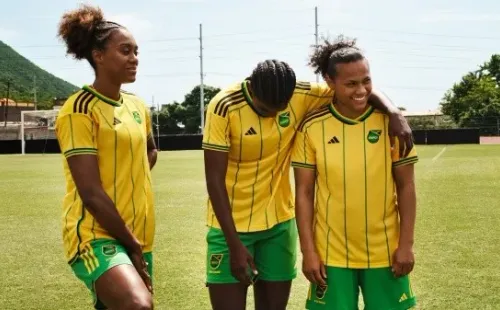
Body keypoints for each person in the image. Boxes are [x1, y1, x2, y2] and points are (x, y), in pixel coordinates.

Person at [202, 58, 413, 310]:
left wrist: (393, 111)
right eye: (268, 108)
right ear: (253, 90)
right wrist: (234, 244)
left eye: (283, 107)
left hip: (278, 225)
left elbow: (355, 88)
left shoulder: (300, 94)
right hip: (230, 227)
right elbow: (214, 180)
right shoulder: (223, 106)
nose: (276, 113)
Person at [292, 35, 418, 310]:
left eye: (366, 81)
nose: (361, 90)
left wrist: (406, 245)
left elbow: (406, 187)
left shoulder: (393, 125)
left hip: (386, 251)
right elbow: (304, 193)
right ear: (329, 82)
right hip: (331, 254)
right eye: (350, 84)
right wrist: (309, 252)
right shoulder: (311, 127)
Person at [55, 4, 157, 310]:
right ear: (98, 56)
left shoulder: (137, 106)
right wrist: (130, 243)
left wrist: (129, 181)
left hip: (137, 229)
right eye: (125, 51)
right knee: (138, 305)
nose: (134, 58)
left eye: (136, 51)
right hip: (96, 234)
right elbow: (91, 195)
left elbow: (151, 149)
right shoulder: (79, 110)